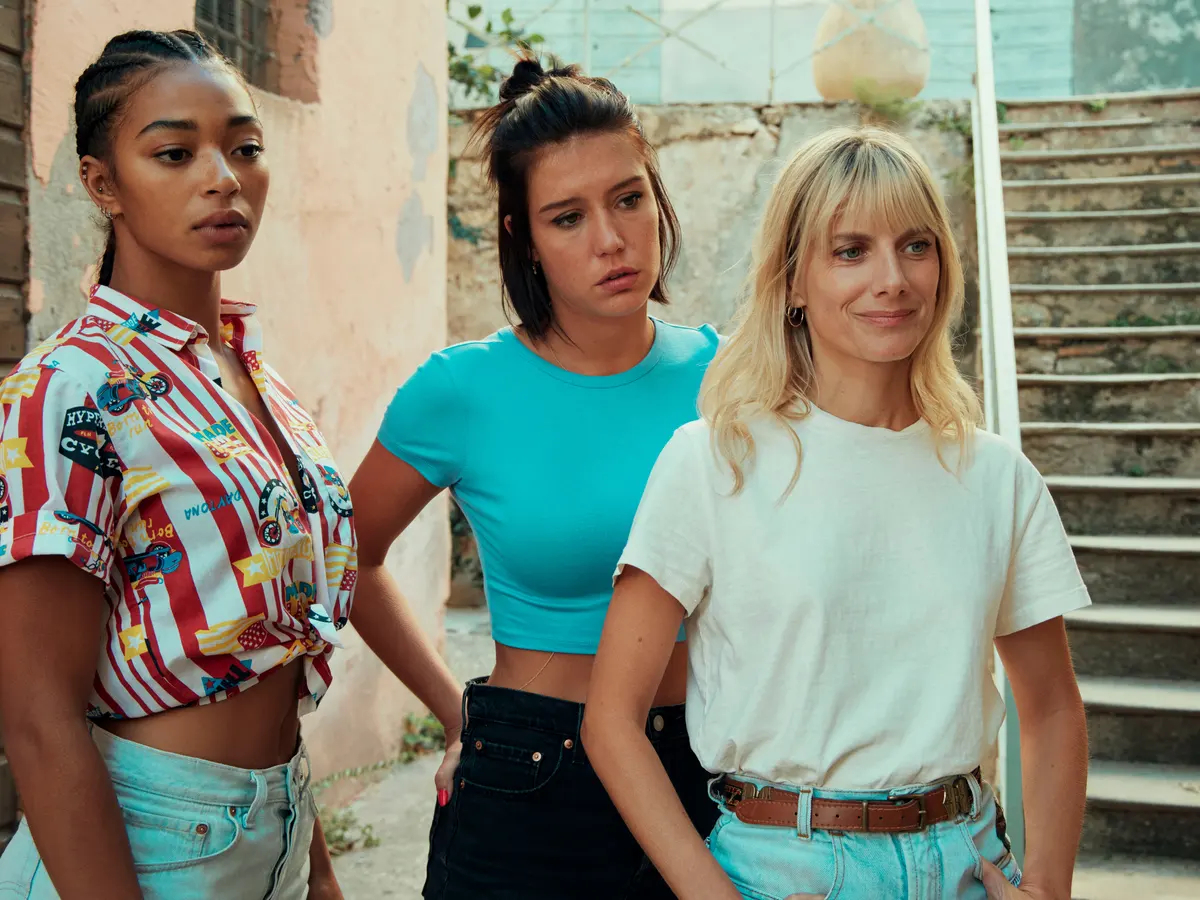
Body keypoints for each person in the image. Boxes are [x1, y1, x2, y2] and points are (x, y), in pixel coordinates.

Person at [583, 126, 1090, 900]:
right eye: (850, 251)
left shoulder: (996, 476)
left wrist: (1048, 888)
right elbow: (611, 721)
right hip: (781, 871)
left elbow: (1050, 707)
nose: (891, 279)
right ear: (792, 281)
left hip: (968, 865)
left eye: (915, 246)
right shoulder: (713, 459)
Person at [346, 55, 720, 899]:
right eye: (567, 217)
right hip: (534, 774)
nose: (611, 240)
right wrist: (460, 716)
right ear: (522, 237)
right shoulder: (461, 390)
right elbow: (347, 558)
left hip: (710, 766)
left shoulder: (729, 377)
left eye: (629, 198)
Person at [0, 30, 353, 899]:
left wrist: (313, 868)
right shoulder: (68, 384)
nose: (222, 176)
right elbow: (39, 719)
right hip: (146, 844)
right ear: (100, 183)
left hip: (272, 822)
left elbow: (273, 656)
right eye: (174, 151)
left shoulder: (244, 370)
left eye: (244, 147)